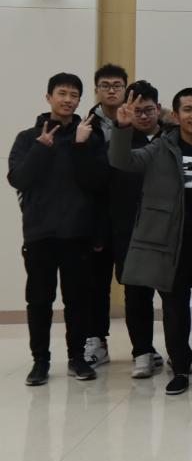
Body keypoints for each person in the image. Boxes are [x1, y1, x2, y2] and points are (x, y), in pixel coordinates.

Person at [109, 87, 192, 393]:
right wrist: (122, 128)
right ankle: (180, 368)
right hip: (172, 245)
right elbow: (122, 161)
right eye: (188, 110)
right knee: (175, 312)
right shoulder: (160, 147)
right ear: (175, 115)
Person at [8, 73, 106, 385]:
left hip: (78, 233)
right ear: (48, 97)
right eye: (62, 93)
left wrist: (80, 146)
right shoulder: (27, 138)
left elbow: (97, 183)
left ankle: (77, 358)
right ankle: (40, 361)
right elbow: (18, 179)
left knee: (78, 300)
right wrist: (41, 148)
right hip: (40, 234)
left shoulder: (88, 135)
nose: (68, 100)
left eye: (74, 95)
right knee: (39, 300)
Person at [104, 80, 164, 378]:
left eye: (148, 110)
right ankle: (142, 351)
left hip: (166, 230)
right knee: (137, 296)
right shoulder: (119, 141)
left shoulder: (172, 139)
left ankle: (178, 352)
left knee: (172, 296)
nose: (142, 116)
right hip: (130, 232)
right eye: (136, 110)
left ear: (159, 109)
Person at [81, 63, 129, 368]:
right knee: (96, 284)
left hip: (131, 216)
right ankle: (96, 340)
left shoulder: (135, 122)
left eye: (117, 85)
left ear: (125, 88)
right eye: (105, 85)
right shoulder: (85, 126)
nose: (111, 91)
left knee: (137, 286)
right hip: (97, 218)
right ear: (97, 90)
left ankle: (144, 347)